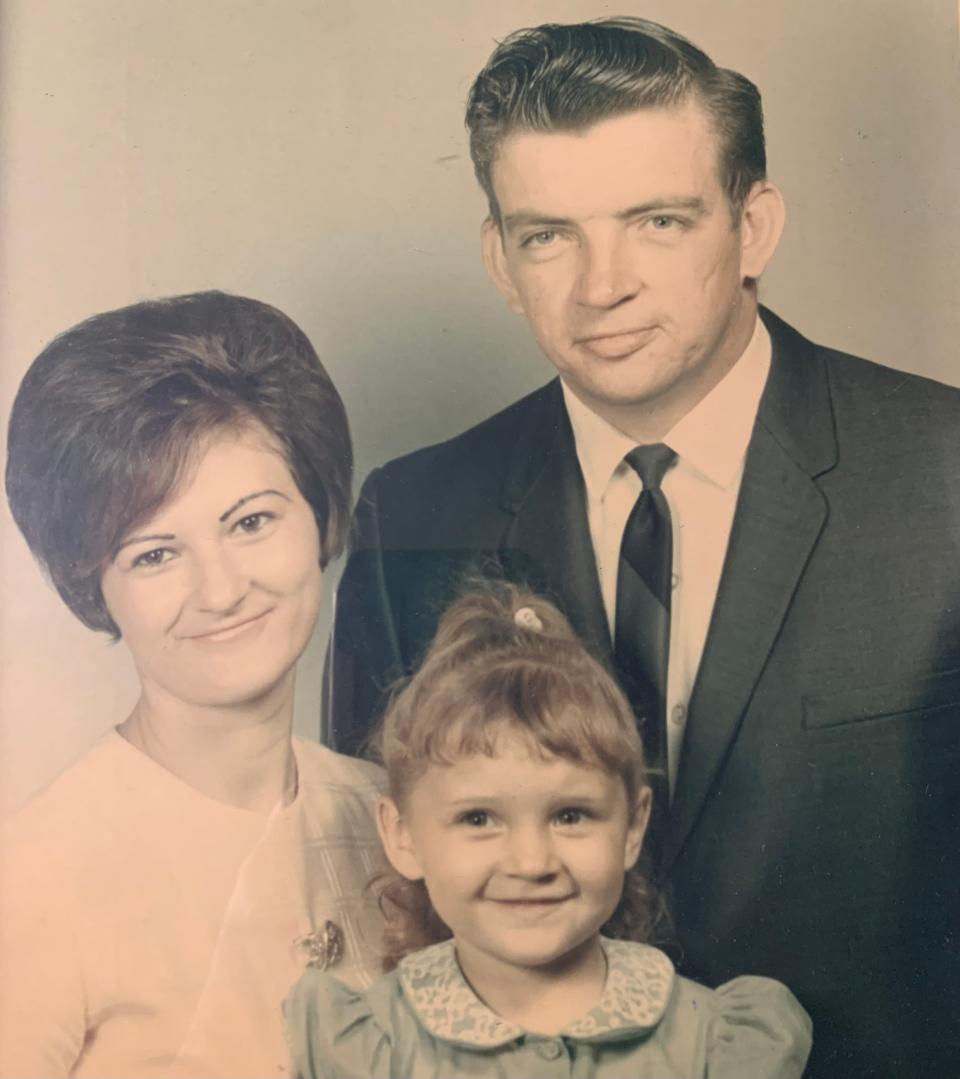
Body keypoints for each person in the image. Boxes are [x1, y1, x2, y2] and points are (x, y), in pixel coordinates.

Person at [326, 17, 960, 1079]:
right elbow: (388, 897)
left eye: (658, 221)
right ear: (498, 256)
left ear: (754, 226)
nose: (600, 283)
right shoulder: (415, 514)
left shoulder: (943, 478)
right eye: (547, 234)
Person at [1, 292, 387, 1078]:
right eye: (153, 554)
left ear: (321, 515)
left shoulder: (397, 819)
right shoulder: (33, 878)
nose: (220, 590)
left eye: (251, 521)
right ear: (93, 586)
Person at [288, 585, 812, 1078]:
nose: (532, 862)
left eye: (570, 815)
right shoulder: (369, 1049)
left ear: (633, 826)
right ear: (402, 836)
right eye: (478, 819)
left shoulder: (712, 1039)